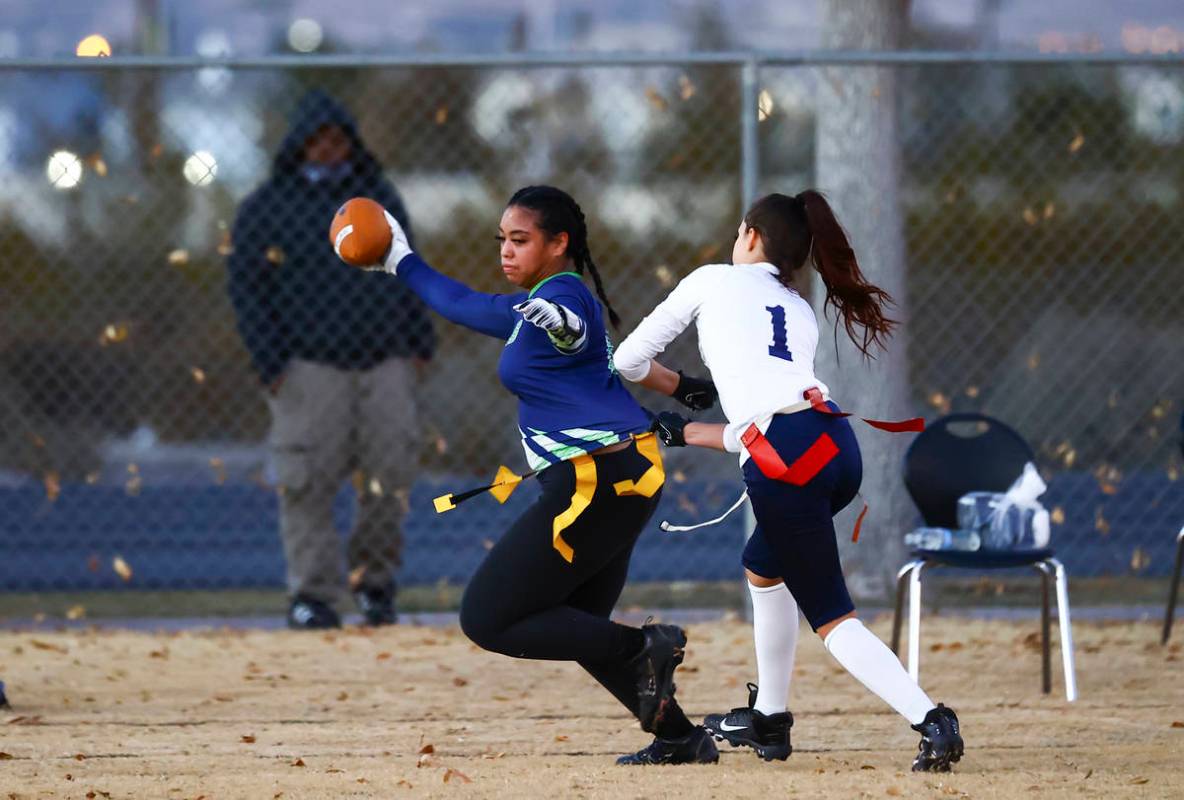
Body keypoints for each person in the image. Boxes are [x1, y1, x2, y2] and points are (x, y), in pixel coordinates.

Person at [357, 185, 719, 766]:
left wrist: (558, 322)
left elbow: (572, 326)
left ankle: (646, 645)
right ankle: (679, 736)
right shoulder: (528, 309)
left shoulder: (566, 297)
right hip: (621, 475)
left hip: (595, 480)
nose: (506, 250)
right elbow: (460, 301)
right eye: (502, 239)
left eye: (520, 240)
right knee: (575, 624)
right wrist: (400, 258)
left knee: (487, 617)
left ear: (559, 244)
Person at [612, 191, 964, 772]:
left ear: (749, 235)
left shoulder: (712, 280)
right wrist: (690, 432)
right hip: (833, 448)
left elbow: (627, 360)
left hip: (789, 463)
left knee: (832, 617)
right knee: (762, 564)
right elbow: (767, 424)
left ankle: (931, 720)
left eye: (737, 233)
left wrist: (679, 387)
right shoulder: (796, 307)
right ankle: (769, 720)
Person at [227, 90, 435, 629]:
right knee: (306, 482)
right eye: (318, 140)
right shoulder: (268, 207)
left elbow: (410, 269)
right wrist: (271, 364)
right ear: (299, 145)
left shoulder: (376, 198)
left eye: (337, 140)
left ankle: (375, 585)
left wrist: (419, 344)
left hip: (384, 359)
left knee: (389, 475)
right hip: (307, 366)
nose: (328, 150)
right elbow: (247, 289)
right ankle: (313, 596)